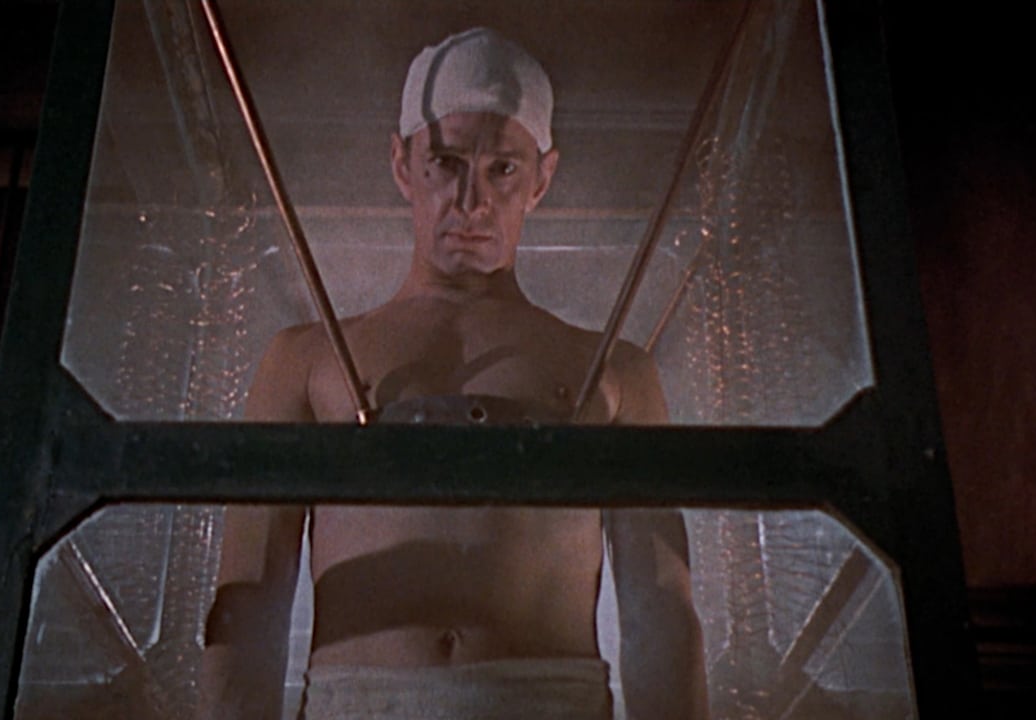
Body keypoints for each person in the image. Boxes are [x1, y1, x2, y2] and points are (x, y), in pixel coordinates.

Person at [200, 27, 708, 720]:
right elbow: (247, 600)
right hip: (360, 704)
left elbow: (663, 609)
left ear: (542, 178)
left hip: (548, 702)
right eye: (445, 162)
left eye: (502, 168)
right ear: (402, 164)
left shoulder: (617, 371)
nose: (472, 202)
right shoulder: (305, 359)